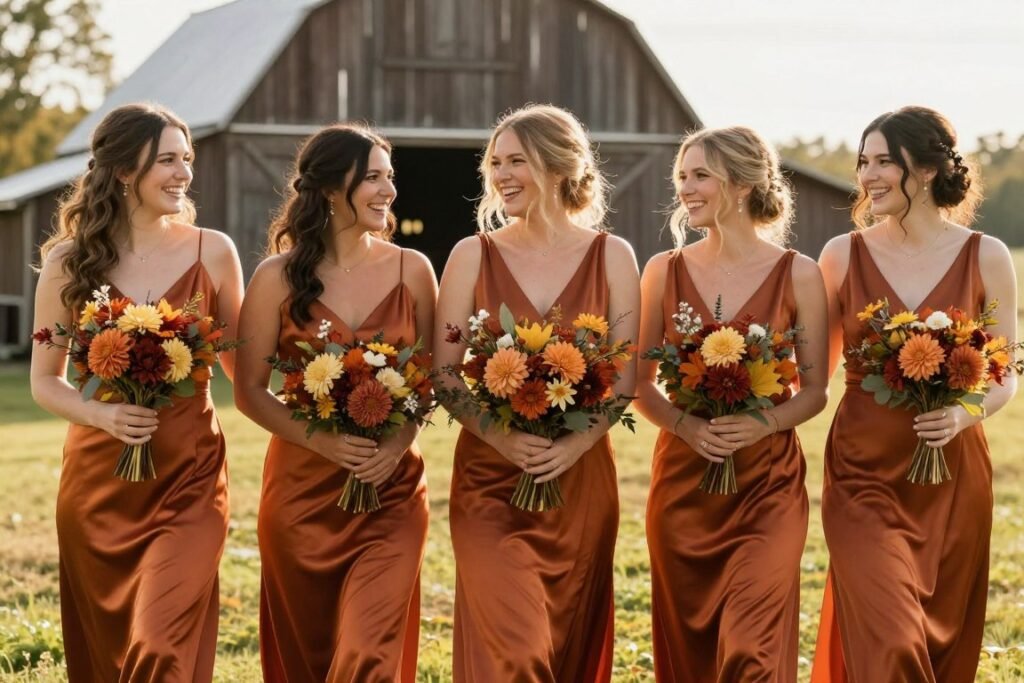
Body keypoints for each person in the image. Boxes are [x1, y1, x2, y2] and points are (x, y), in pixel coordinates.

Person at [30, 102, 243, 681]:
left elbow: (242, 364)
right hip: (100, 482)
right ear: (125, 170)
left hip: (191, 478)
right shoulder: (67, 263)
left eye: (188, 160)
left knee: (161, 641)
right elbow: (45, 381)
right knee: (107, 651)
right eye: (168, 160)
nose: (184, 174)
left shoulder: (214, 252)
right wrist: (103, 418)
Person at [433, 103, 640, 682]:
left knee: (564, 641)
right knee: (518, 652)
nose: (500, 175)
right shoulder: (471, 255)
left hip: (579, 482)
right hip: (489, 479)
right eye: (494, 163)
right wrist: (501, 437)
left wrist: (571, 447)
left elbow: (623, 381)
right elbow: (446, 374)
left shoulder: (613, 256)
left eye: (515, 161)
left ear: (558, 165)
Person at [811, 106, 1019, 682]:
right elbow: (811, 377)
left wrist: (961, 413)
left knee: (940, 636)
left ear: (926, 171)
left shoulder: (988, 256)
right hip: (861, 475)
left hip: (953, 477)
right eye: (862, 162)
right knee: (893, 637)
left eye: (883, 162)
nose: (867, 175)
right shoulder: (839, 256)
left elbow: (1005, 371)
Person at [233, 123, 435, 682]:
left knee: (370, 656)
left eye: (389, 177)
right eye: (372, 177)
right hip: (301, 498)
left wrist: (396, 446)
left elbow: (432, 378)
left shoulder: (412, 270)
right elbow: (249, 390)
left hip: (391, 493)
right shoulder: (275, 278)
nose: (388, 190)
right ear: (327, 188)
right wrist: (322, 441)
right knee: (310, 659)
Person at [635, 126, 828, 681]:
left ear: (742, 184)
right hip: (683, 487)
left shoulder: (801, 273)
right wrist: (686, 427)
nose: (686, 190)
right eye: (682, 177)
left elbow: (815, 391)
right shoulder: (662, 271)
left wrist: (760, 425)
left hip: (767, 486)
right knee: (691, 648)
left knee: (753, 652)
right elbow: (640, 385)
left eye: (700, 176)